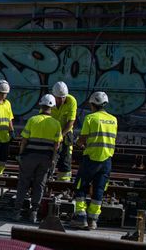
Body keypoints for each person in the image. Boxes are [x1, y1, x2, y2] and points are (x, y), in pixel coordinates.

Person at [71, 91, 117, 230]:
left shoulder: (90, 118)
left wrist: (77, 142)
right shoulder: (113, 119)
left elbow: (83, 139)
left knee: (80, 186)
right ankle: (93, 220)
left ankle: (80, 217)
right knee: (99, 190)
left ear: (92, 104)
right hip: (106, 160)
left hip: (91, 159)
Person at [14, 94, 62, 222]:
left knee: (23, 183)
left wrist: (20, 155)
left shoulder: (32, 120)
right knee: (39, 185)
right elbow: (56, 145)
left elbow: (24, 140)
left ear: (41, 105)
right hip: (45, 159)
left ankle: (17, 212)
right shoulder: (56, 124)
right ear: (52, 107)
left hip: (29, 157)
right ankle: (34, 212)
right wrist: (52, 160)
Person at [50, 81, 78, 182]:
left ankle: (63, 180)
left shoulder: (71, 101)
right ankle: (47, 176)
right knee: (49, 155)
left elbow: (71, 120)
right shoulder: (50, 100)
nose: (60, 100)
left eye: (63, 97)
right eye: (58, 98)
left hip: (65, 132)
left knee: (65, 156)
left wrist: (61, 135)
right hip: (51, 131)